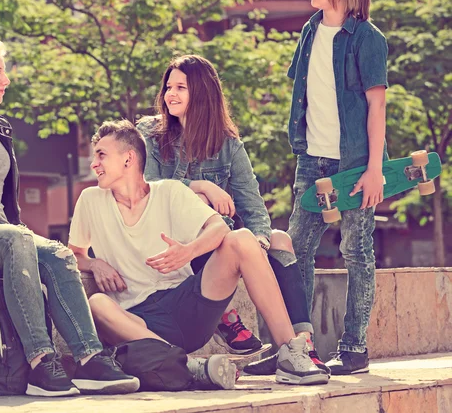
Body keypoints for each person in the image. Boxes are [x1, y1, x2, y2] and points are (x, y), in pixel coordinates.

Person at [0, 39, 139, 397]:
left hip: (1, 236)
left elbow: (5, 200)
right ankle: (40, 363)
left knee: (59, 253)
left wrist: (14, 232)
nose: (6, 80)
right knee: (16, 238)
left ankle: (91, 359)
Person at [68, 120, 329, 386]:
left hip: (188, 305)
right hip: (140, 321)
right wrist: (94, 264)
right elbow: (74, 254)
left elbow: (217, 227)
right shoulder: (90, 200)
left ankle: (289, 353)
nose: (94, 164)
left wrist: (188, 252)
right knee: (98, 303)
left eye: (101, 155)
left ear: (128, 159)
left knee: (241, 239)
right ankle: (188, 367)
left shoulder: (169, 192)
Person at [136, 55, 329, 376]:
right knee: (195, 199)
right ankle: (226, 317)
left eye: (181, 87)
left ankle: (300, 344)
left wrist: (260, 242)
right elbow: (149, 188)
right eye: (169, 87)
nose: (171, 94)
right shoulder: (151, 134)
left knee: (279, 238)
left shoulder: (229, 146)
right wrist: (201, 186)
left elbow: (253, 207)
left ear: (202, 92)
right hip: (169, 239)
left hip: (220, 244)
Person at [286, 0, 388, 375]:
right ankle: (296, 346)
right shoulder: (310, 31)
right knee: (293, 250)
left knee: (356, 251)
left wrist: (375, 169)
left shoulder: (368, 39)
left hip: (354, 164)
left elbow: (376, 107)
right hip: (311, 159)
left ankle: (354, 349)